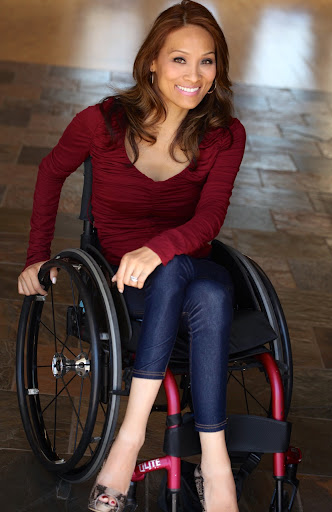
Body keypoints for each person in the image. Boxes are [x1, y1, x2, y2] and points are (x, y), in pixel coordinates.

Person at [18, 1, 246, 510]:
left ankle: (130, 438)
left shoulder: (224, 135)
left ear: (218, 68)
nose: (194, 75)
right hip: (124, 285)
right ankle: (217, 466)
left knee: (186, 271)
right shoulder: (101, 122)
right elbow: (50, 172)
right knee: (206, 290)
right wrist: (37, 256)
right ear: (152, 63)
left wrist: (160, 248)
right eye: (179, 60)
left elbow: (208, 220)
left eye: (207, 61)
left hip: (184, 263)